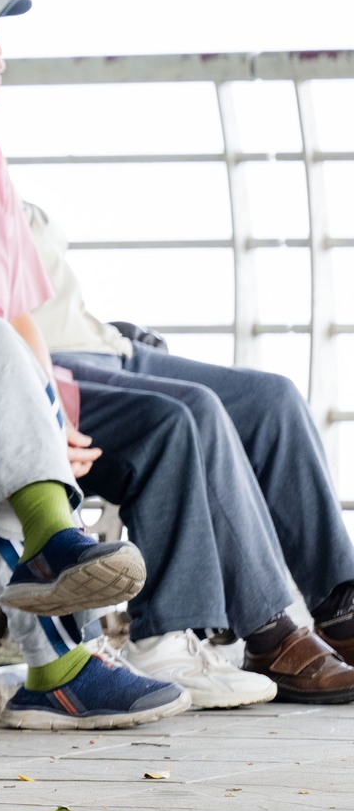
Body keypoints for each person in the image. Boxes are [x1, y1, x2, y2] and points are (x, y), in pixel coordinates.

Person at [0, 0, 354, 710]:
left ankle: (319, 615)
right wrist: (36, 415)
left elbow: (16, 311)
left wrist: (53, 406)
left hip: (18, 373)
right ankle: (211, 633)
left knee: (246, 401)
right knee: (184, 416)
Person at [30, 201, 354, 700]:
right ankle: (270, 633)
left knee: (273, 398)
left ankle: (341, 606)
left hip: (108, 345)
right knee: (195, 410)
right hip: (47, 362)